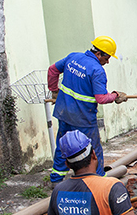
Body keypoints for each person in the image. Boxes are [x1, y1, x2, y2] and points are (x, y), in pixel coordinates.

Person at [48, 36, 127, 185]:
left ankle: (56, 180)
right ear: (99, 54)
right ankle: (99, 182)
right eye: (107, 57)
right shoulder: (97, 70)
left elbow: (52, 70)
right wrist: (116, 96)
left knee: (63, 144)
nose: (108, 61)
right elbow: (101, 98)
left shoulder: (73, 57)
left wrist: (54, 90)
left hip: (63, 112)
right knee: (94, 150)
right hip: (82, 117)